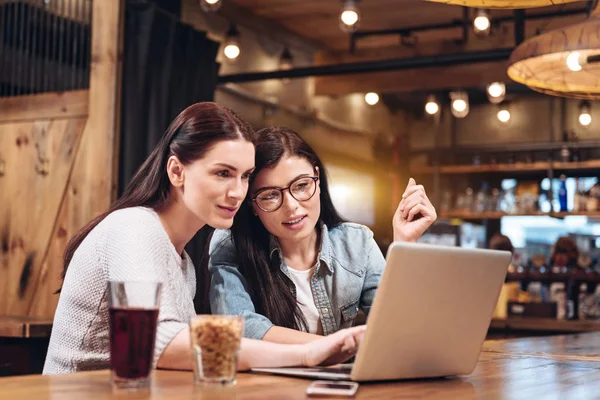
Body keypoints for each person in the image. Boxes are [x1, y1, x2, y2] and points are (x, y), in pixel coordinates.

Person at [43, 103, 365, 375]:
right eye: (223, 173)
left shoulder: (183, 263)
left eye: (245, 176)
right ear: (176, 171)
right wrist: (306, 354)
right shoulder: (135, 228)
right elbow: (159, 343)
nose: (238, 192)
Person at [209, 126, 437, 344]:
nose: (291, 206)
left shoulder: (356, 243)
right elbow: (239, 327)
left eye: (301, 185)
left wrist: (405, 245)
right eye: (270, 195)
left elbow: (396, 326)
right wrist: (335, 345)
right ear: (252, 205)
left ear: (317, 179)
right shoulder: (232, 246)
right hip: (266, 384)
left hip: (336, 383)